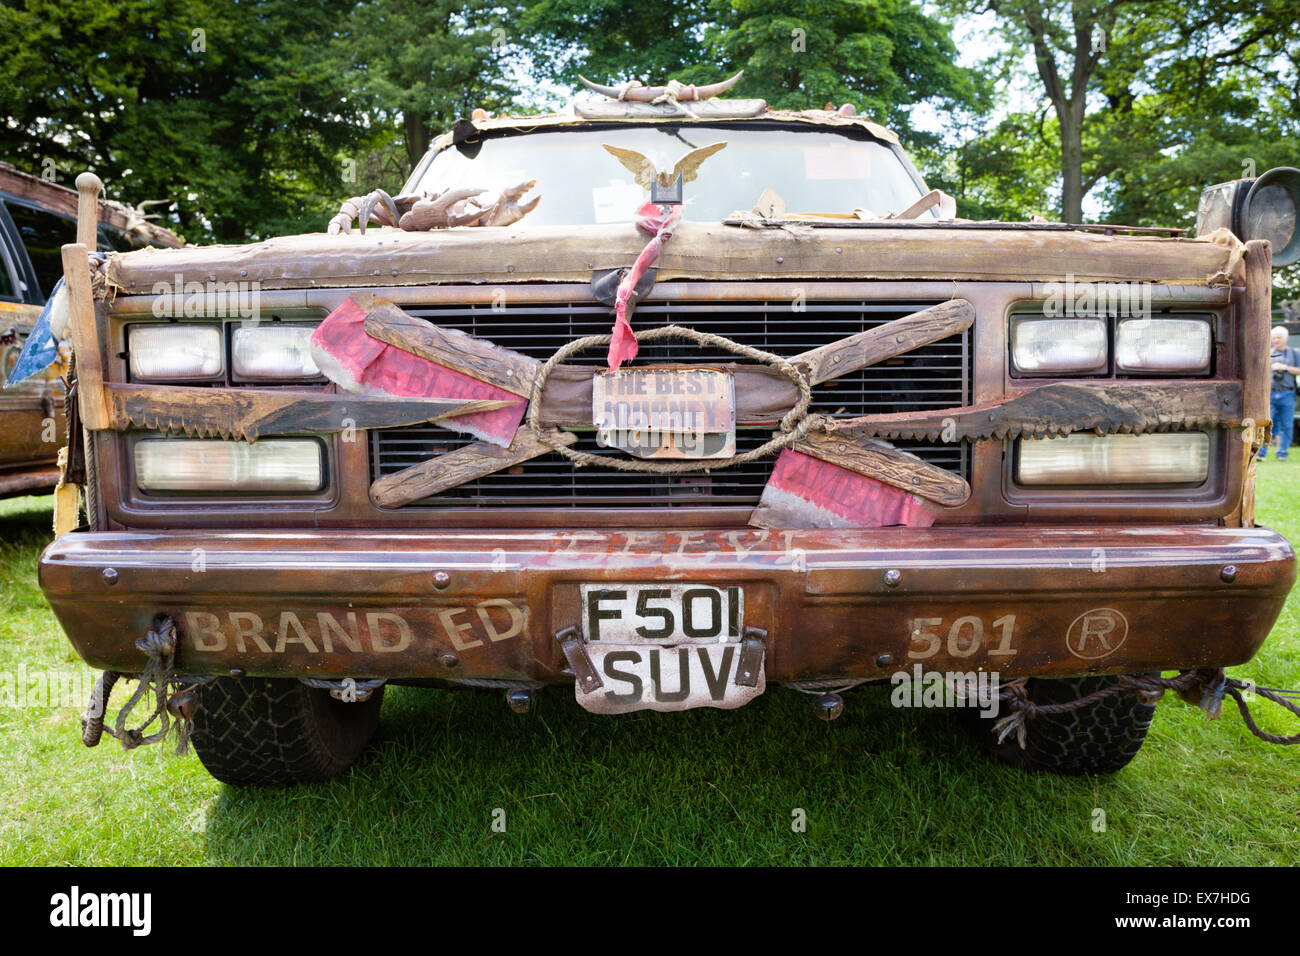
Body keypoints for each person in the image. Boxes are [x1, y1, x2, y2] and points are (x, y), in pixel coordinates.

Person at [1262, 326, 1300, 460]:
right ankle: (1261, 453)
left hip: (1287, 393)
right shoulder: (1268, 353)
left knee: (1287, 425)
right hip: (1270, 393)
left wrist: (1285, 368)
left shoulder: (1295, 353)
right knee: (1265, 423)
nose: (1276, 340)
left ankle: (1282, 453)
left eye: (1279, 337)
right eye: (1274, 338)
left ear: (1286, 338)